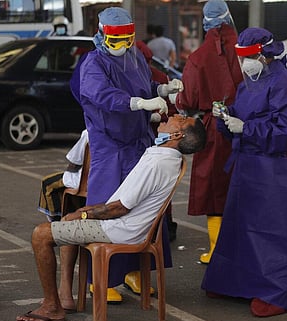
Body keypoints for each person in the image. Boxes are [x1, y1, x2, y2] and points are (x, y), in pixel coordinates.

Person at [14, 115, 206, 321]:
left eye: (181, 119)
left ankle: (52, 306)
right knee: (66, 221)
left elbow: (119, 208)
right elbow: (118, 204)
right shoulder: (164, 156)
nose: (175, 115)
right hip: (122, 223)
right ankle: (64, 295)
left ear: (177, 135)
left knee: (41, 234)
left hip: (120, 229)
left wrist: (85, 214)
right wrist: (83, 212)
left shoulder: (158, 162)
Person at [69, 7, 183, 303]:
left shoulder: (133, 56)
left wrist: (162, 89)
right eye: (116, 38)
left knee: (143, 211)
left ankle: (134, 271)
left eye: (127, 38)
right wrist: (138, 104)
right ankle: (101, 279)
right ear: (102, 32)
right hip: (111, 147)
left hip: (140, 143)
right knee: (107, 208)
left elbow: (145, 86)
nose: (122, 45)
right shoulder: (93, 62)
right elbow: (101, 95)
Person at [201, 27, 287, 317]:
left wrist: (248, 128)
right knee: (238, 228)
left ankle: (273, 292)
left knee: (269, 232)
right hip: (245, 165)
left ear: (266, 55)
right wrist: (225, 116)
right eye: (242, 58)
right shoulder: (250, 81)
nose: (245, 65)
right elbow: (240, 113)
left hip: (271, 168)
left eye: (250, 58)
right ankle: (231, 282)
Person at [174, 0, 243, 264]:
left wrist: (177, 98)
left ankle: (217, 249)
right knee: (243, 185)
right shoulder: (245, 48)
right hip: (248, 125)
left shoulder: (199, 57)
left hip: (214, 130)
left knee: (215, 188)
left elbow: (188, 99)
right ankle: (242, 247)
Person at [136, 40, 179, 241]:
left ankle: (164, 224)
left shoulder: (159, 77)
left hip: (156, 138)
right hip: (135, 138)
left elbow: (172, 112)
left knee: (159, 185)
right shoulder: (123, 76)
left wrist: (157, 117)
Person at [37, 130, 88, 222]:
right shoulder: (121, 133)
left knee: (47, 183)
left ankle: (56, 219)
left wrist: (69, 170)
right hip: (113, 181)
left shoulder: (89, 133)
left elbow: (75, 162)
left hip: (87, 181)